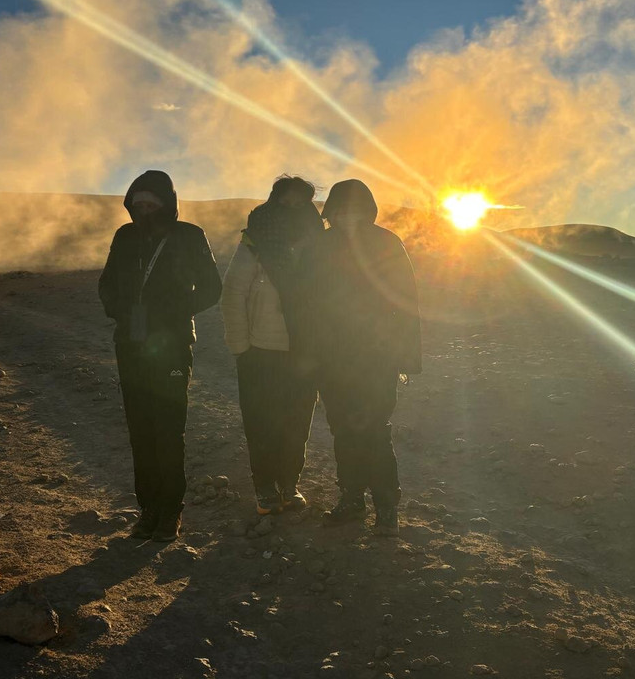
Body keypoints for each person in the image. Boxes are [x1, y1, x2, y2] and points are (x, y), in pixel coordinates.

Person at [98, 170, 222, 542]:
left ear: (167, 204)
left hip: (172, 346)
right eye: (137, 205)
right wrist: (121, 311)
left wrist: (173, 313)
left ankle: (170, 512)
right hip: (130, 344)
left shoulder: (189, 236)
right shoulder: (125, 236)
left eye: (151, 204)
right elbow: (107, 284)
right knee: (140, 431)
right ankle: (148, 509)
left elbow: (212, 287)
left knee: (168, 430)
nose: (143, 211)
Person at [305, 179, 421, 536]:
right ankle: (352, 498)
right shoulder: (320, 246)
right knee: (343, 429)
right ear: (332, 211)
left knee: (374, 429)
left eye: (355, 209)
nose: (348, 217)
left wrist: (406, 357)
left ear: (368, 211)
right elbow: (306, 303)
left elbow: (407, 301)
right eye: (341, 209)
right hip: (333, 358)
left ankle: (386, 509)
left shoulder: (387, 243)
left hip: (377, 357)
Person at [220, 175, 324, 515]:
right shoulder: (255, 242)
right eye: (286, 202)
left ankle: (289, 485)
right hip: (259, 351)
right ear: (273, 202)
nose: (293, 209)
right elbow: (233, 293)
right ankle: (265, 487)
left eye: (300, 203)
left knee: (297, 423)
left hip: (304, 351)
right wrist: (241, 348)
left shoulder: (320, 247)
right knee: (261, 422)